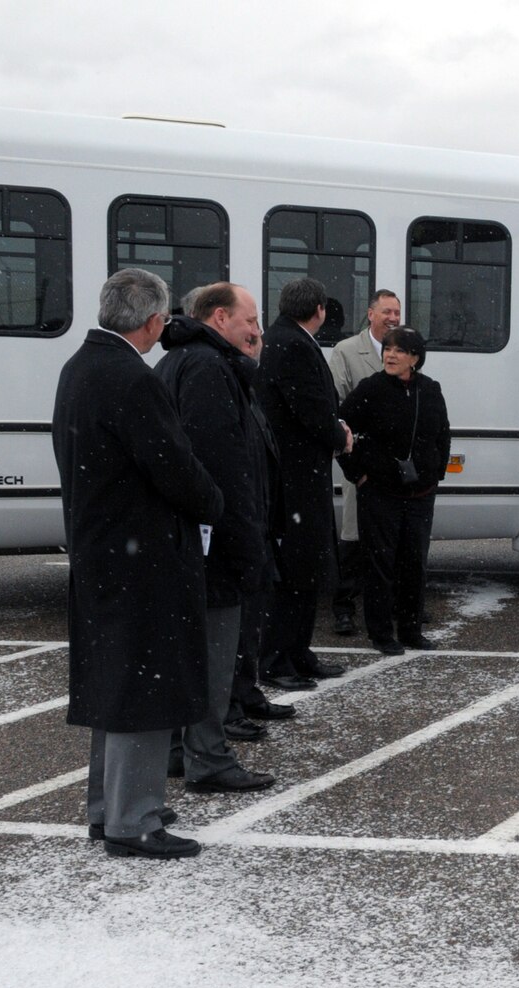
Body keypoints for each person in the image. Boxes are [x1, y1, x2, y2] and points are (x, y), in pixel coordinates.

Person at [52, 268, 224, 859]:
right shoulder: (132, 378)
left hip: (100, 553)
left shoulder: (80, 367)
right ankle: (135, 819)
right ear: (152, 321)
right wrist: (212, 499)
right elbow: (174, 467)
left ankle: (109, 808)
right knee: (145, 688)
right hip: (142, 561)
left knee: (113, 686)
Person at [154, 282, 278, 795]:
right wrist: (246, 542)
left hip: (196, 537)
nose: (256, 331)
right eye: (251, 321)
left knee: (195, 651)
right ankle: (208, 756)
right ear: (221, 317)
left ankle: (182, 750)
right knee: (213, 653)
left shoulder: (183, 362)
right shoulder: (206, 368)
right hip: (214, 541)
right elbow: (222, 467)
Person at [257, 276, 349, 691]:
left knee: (307, 569)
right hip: (295, 477)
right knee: (297, 571)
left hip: (300, 473)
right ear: (320, 311)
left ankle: (299, 651)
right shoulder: (292, 344)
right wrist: (339, 435)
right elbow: (309, 408)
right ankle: (278, 659)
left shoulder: (283, 337)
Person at [338, 327, 452, 652]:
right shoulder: (370, 389)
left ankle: (411, 629)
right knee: (380, 564)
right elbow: (341, 430)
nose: (390, 355)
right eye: (387, 349)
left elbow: (443, 434)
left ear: (414, 358)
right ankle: (381, 633)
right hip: (379, 493)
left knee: (414, 563)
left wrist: (435, 475)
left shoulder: (430, 390)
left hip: (420, 494)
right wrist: (357, 473)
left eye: (399, 350)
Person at [327, 289, 401, 635]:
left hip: (395, 463)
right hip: (362, 459)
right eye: (386, 311)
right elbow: (337, 404)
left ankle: (397, 605)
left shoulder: (404, 351)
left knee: (392, 540)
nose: (393, 318)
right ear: (370, 314)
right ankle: (343, 607)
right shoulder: (346, 351)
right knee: (355, 537)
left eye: (397, 312)